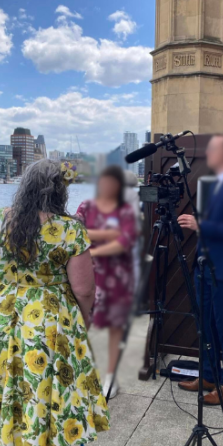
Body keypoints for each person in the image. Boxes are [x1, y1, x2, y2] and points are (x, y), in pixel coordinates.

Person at [0, 160, 110, 446]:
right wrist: (82, 320)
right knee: (44, 385)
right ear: (60, 191)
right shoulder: (69, 229)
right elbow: (84, 289)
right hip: (50, 320)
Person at [177, 133, 223, 405]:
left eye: (213, 149)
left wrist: (201, 226)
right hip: (204, 268)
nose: (208, 153)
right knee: (205, 325)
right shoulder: (215, 184)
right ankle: (208, 375)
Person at [76, 166, 137, 399]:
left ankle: (112, 375)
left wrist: (92, 250)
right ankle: (83, 369)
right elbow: (75, 232)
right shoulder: (86, 206)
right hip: (87, 274)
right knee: (83, 320)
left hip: (116, 274)